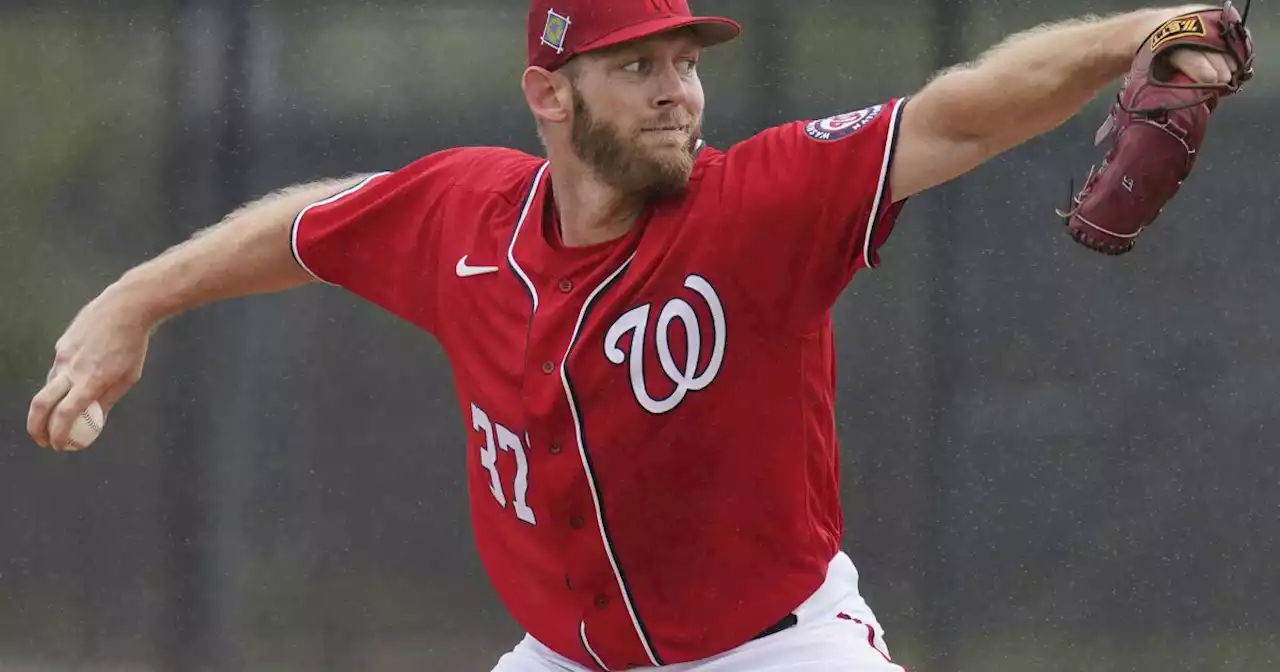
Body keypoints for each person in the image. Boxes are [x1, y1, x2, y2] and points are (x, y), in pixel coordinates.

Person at [27, 1, 1247, 670]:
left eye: (683, 60)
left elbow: (960, 112)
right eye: (637, 66)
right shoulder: (465, 216)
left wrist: (1134, 33)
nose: (679, 88)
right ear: (548, 95)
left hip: (774, 655)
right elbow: (304, 226)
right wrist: (135, 302)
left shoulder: (758, 205)